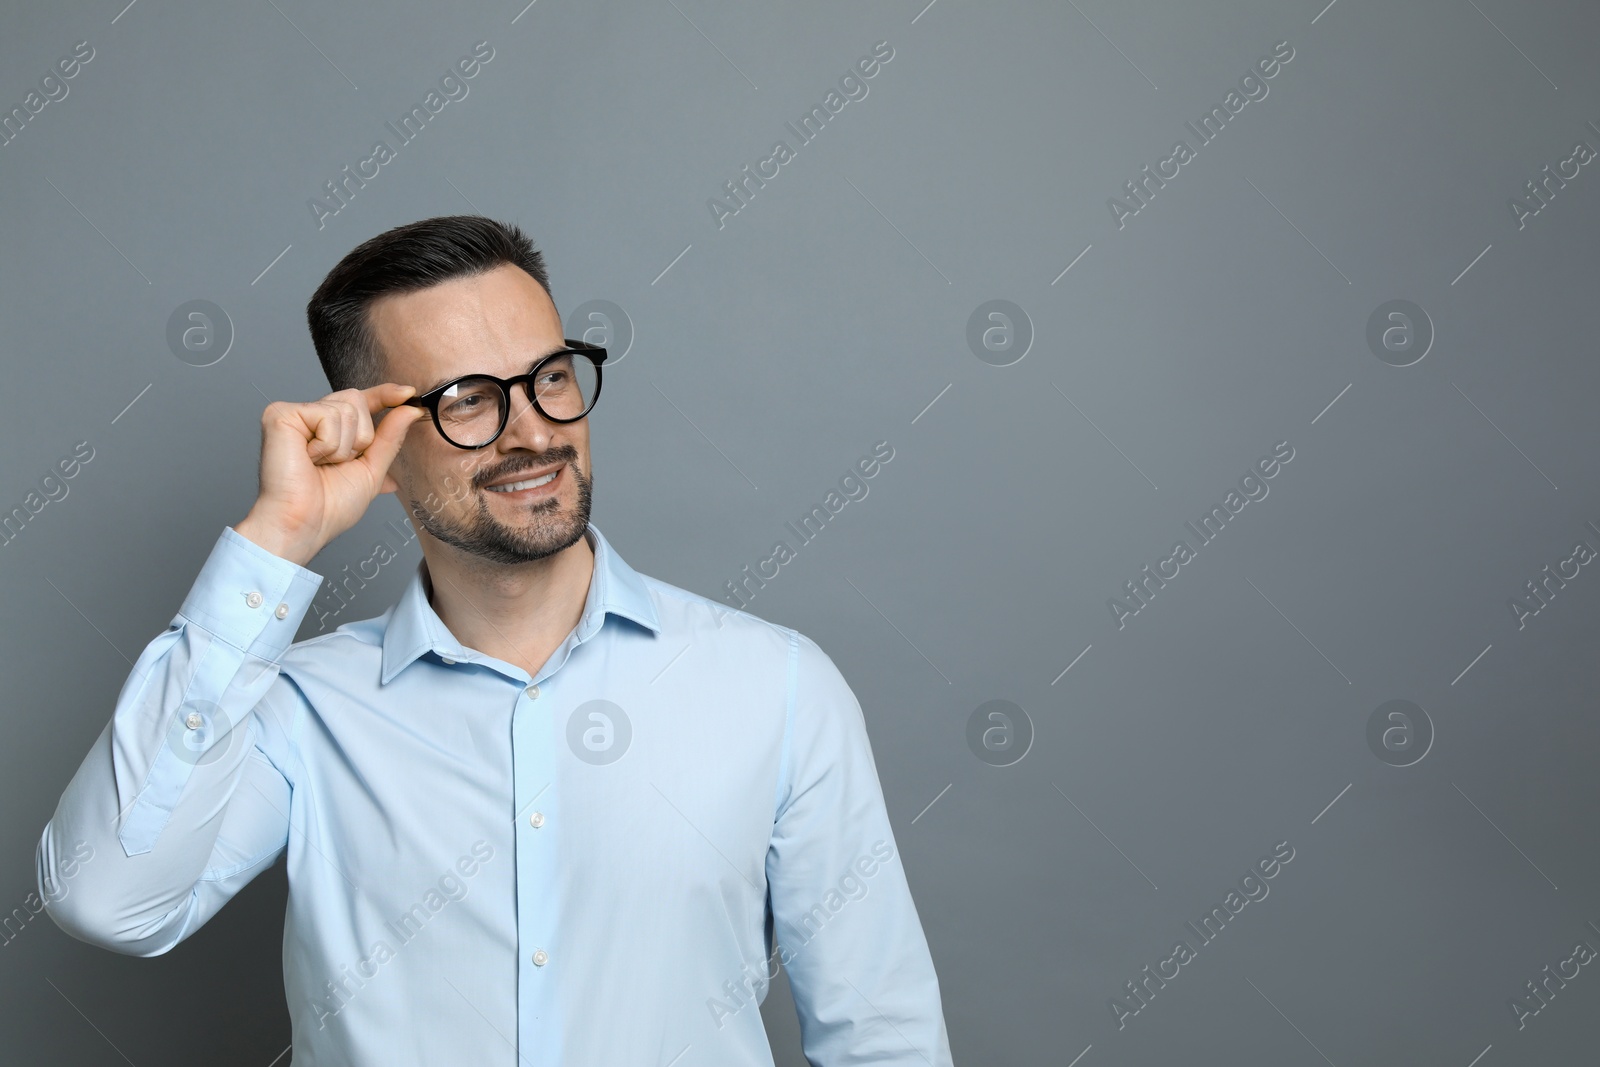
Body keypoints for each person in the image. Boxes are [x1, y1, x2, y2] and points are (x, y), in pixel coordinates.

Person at [35, 215, 954, 1065]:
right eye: (469, 398)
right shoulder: (296, 711)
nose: (532, 431)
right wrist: (278, 536)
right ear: (380, 448)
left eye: (550, 376)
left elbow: (884, 1036)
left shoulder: (778, 687)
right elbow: (107, 896)